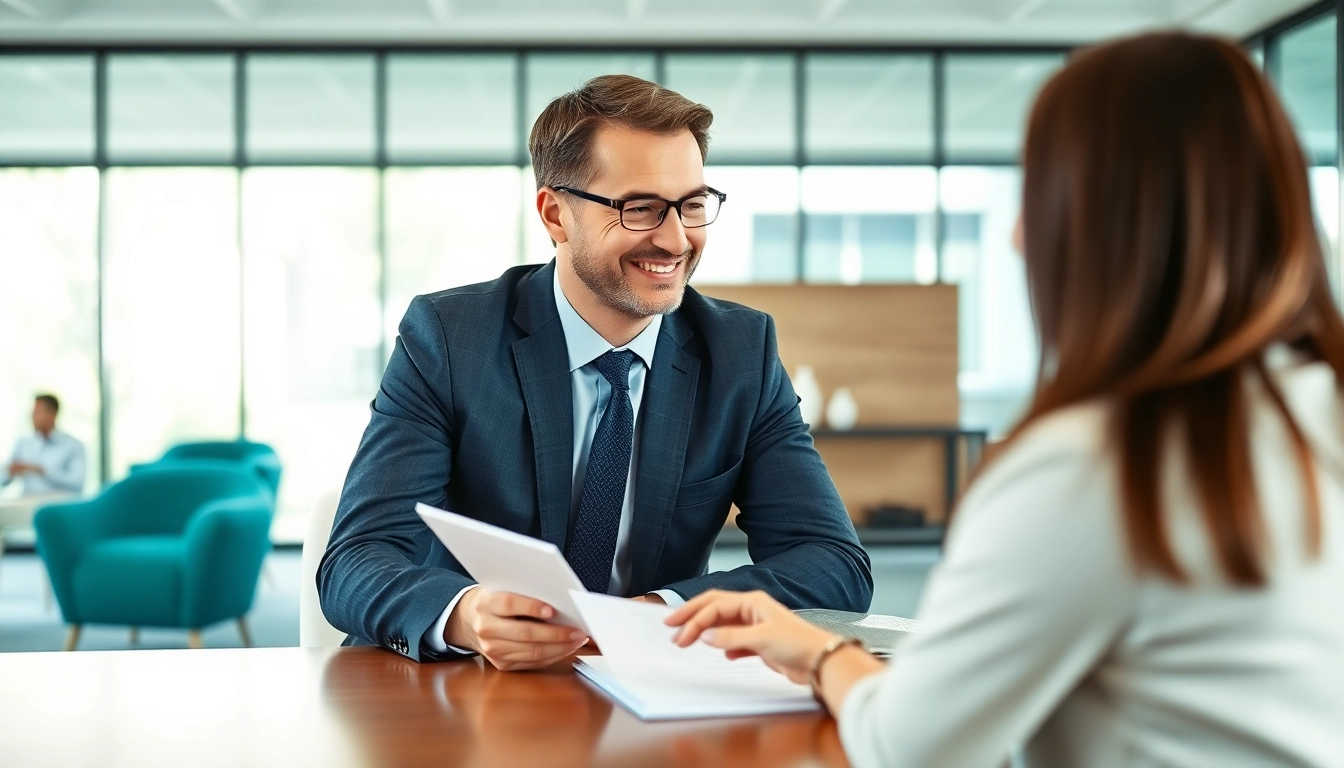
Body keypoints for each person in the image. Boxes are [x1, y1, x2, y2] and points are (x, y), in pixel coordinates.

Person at [667, 32, 1344, 768]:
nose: (1020, 236)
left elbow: (909, 745)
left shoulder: (1094, 467)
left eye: (1039, 191)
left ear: (1103, 222)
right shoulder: (1316, 407)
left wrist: (826, 656)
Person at [319, 74, 873, 669]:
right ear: (555, 214)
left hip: (653, 682)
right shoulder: (451, 339)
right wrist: (465, 615)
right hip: (469, 681)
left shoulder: (741, 351)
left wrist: (657, 612)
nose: (675, 239)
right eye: (640, 209)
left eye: (691, 205)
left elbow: (833, 564)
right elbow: (356, 559)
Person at [3, 394, 85, 497]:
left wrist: (41, 470)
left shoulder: (73, 446)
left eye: (36, 412)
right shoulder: (23, 443)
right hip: (26, 502)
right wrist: (9, 472)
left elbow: (77, 484)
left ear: (52, 414)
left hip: (58, 503)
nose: (32, 417)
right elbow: (3, 479)